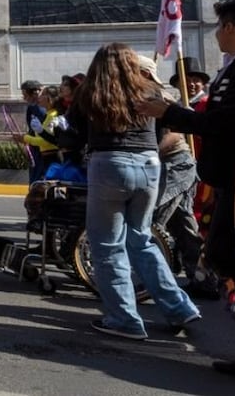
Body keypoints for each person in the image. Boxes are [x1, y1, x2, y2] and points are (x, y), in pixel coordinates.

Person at [137, 0, 235, 378]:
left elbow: (225, 124)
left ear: (228, 26)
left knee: (231, 255)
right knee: (228, 255)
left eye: (218, 28)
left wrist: (169, 113)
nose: (217, 36)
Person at [61, 43, 199, 341]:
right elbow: (168, 127)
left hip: (109, 163)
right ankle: (179, 308)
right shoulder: (150, 89)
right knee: (142, 239)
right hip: (150, 164)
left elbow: (74, 136)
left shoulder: (90, 92)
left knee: (108, 246)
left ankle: (124, 319)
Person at [135, 55, 211, 299]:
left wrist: (147, 153)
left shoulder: (160, 100)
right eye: (185, 80)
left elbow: (174, 137)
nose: (190, 84)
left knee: (152, 219)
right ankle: (202, 280)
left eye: (195, 80)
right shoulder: (152, 97)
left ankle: (157, 284)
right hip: (171, 166)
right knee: (183, 225)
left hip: (177, 166)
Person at [20, 80, 46, 183]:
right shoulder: (32, 108)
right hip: (34, 149)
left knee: (39, 181)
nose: (24, 98)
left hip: (43, 152)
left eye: (25, 95)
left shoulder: (40, 108)